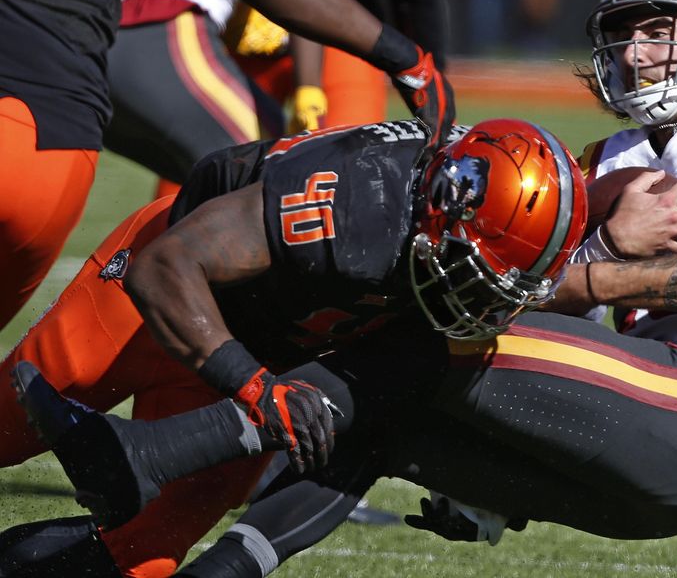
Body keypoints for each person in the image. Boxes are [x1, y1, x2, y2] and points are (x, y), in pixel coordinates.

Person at [5, 0, 677, 577]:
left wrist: (593, 270)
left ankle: (159, 450)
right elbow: (523, 298)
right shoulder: (606, 157)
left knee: (434, 346)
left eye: (658, 32)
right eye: (623, 37)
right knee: (378, 406)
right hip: (627, 426)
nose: (635, 55)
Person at [0, 117, 587, 577]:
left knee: (138, 558)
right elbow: (165, 266)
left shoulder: (455, 224)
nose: (474, 308)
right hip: (166, 296)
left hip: (269, 351)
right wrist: (251, 384)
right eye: (469, 277)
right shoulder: (359, 207)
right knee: (6, 428)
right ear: (441, 206)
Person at [0, 0, 454, 331]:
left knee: (229, 201)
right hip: (140, 38)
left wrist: (308, 86)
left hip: (87, 54)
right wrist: (407, 60)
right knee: (275, 200)